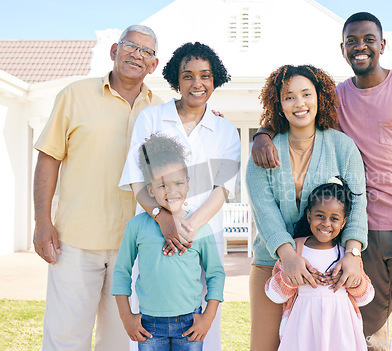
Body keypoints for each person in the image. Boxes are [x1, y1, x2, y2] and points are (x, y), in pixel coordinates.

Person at [252, 12, 392, 351]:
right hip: (357, 233)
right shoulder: (338, 98)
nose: (361, 47)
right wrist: (262, 134)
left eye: (369, 39)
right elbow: (293, 107)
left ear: (382, 44)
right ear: (343, 49)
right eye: (352, 41)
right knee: (361, 328)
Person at [32, 25, 161, 350]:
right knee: (65, 338)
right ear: (114, 51)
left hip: (133, 248)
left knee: (119, 342)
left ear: (154, 64)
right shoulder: (75, 94)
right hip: (75, 242)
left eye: (146, 51)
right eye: (131, 46)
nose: (137, 54)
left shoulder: (161, 110)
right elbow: (49, 158)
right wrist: (42, 221)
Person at [119, 41, 240, 350]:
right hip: (153, 235)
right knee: (149, 332)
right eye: (188, 76)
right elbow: (136, 180)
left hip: (202, 237)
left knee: (201, 333)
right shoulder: (151, 118)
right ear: (176, 79)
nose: (197, 83)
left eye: (205, 75)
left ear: (215, 79)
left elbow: (222, 188)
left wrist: (188, 227)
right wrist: (162, 219)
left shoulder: (226, 130)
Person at [246, 64, 368, 351]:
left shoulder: (343, 147)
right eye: (289, 97)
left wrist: (352, 254)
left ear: (319, 97)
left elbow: (358, 202)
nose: (299, 103)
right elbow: (264, 210)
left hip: (328, 268)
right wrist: (287, 256)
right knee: (263, 346)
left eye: (306, 94)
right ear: (279, 104)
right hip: (271, 265)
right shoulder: (262, 151)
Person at [112, 134, 225, 351]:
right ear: (150, 190)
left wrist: (208, 317)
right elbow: (121, 272)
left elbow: (216, 274)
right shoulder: (136, 226)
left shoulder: (200, 229)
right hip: (149, 325)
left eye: (178, 183)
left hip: (190, 323)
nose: (171, 191)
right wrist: (126, 316)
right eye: (162, 185)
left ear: (188, 184)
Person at [265, 177, 374, 351]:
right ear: (309, 215)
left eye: (334, 218)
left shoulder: (347, 254)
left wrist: (352, 281)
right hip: (302, 328)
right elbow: (274, 294)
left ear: (344, 222)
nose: (326, 223)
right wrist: (293, 278)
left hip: (340, 328)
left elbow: (366, 297)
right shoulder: (295, 250)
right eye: (320, 216)